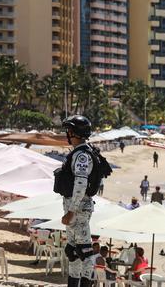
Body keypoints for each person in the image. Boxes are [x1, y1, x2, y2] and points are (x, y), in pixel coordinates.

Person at [56, 115, 110, 287]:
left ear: (75, 133)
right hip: (75, 208)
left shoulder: (82, 156)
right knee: (72, 251)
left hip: (78, 209)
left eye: (69, 131)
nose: (68, 134)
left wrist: (71, 211)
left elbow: (80, 184)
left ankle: (85, 284)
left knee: (85, 252)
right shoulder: (80, 153)